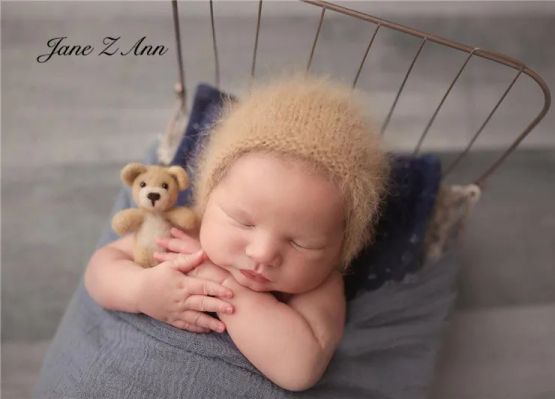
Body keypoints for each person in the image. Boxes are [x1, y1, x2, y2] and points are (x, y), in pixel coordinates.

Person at [84, 75, 389, 391]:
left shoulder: (319, 285)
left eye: (301, 242)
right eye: (243, 222)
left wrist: (224, 283)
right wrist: (139, 290)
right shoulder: (188, 227)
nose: (262, 254)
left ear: (340, 246)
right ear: (209, 198)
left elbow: (299, 369)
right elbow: (100, 268)